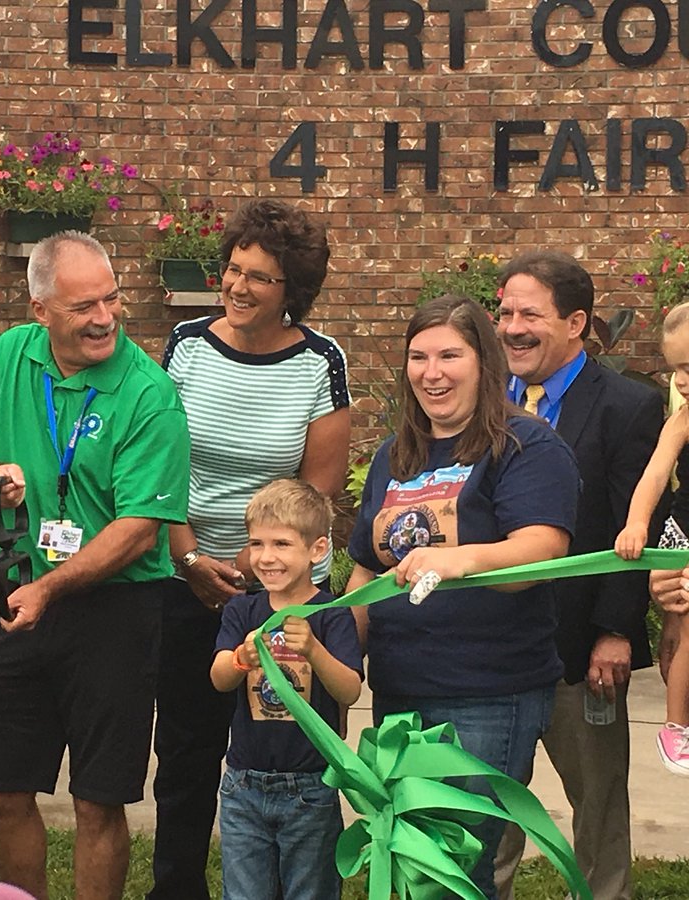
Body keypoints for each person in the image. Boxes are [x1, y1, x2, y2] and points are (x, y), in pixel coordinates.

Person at [0, 231, 190, 900]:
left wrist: (48, 588)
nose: (105, 317)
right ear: (40, 310)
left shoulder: (150, 394)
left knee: (97, 801)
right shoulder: (8, 357)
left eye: (112, 298)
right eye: (83, 306)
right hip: (20, 591)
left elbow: (139, 532)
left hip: (115, 610)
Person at [346, 295, 580, 899]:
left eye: (451, 354)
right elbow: (365, 570)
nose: (433, 371)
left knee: (456, 874)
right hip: (399, 690)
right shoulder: (394, 456)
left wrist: (455, 560)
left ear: (485, 361)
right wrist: (334, 657)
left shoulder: (526, 445)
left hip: (486, 694)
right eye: (418, 357)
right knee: (407, 859)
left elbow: (541, 550)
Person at [151, 198, 350, 900]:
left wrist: (245, 564)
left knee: (286, 754)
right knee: (184, 753)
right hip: (186, 574)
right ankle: (176, 888)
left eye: (258, 277)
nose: (237, 286)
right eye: (233, 270)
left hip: (283, 591)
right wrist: (187, 559)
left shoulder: (320, 361)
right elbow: (159, 462)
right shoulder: (187, 346)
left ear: (290, 291)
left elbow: (318, 488)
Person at [493, 251, 662, 900]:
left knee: (596, 803)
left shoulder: (626, 408)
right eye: (505, 312)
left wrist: (615, 632)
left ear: (577, 323)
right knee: (490, 802)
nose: (511, 328)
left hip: (581, 651)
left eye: (529, 314)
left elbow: (632, 527)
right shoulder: (480, 397)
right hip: (491, 649)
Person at [210, 480, 362, 900]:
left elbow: (349, 689)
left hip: (310, 785)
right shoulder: (243, 610)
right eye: (257, 543)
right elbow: (219, 677)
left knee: (309, 891)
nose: (267, 556)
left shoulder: (331, 615)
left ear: (316, 550)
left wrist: (313, 650)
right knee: (244, 893)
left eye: (281, 543)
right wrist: (241, 658)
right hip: (244, 783)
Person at [616, 301, 689, 780]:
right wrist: (637, 523)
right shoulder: (683, 420)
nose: (682, 380)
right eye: (676, 368)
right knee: (686, 627)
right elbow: (654, 474)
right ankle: (677, 724)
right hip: (685, 533)